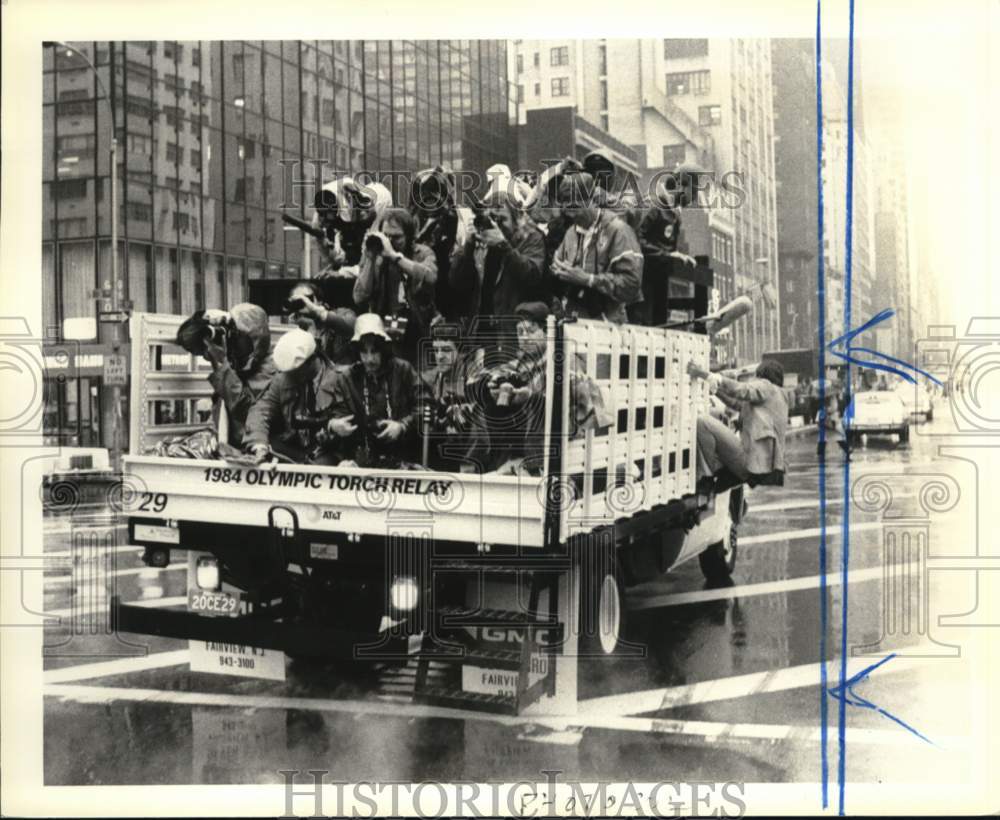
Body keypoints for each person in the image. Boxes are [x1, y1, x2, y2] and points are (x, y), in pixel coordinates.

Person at [468, 301, 612, 475]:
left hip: (563, 444)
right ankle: (483, 466)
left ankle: (530, 467)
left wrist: (533, 396)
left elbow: (598, 410)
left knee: (539, 404)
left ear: (546, 332)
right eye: (520, 332)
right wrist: (491, 386)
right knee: (485, 403)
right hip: (525, 444)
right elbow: (482, 378)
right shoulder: (520, 364)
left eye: (531, 331)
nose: (524, 337)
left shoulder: (564, 361)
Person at [449, 188, 548, 354]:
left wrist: (503, 245)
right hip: (480, 331)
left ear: (516, 220)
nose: (496, 226)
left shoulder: (531, 238)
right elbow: (456, 281)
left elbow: (532, 275)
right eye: (492, 219)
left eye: (502, 220)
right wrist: (468, 246)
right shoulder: (481, 238)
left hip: (512, 332)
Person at [324, 313, 427, 469]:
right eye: (364, 352)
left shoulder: (403, 370)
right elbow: (337, 415)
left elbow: (426, 405)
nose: (369, 359)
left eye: (375, 351)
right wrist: (335, 425)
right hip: (362, 459)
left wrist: (403, 426)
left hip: (403, 457)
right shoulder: (347, 378)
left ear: (383, 349)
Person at [176, 303, 277, 447]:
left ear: (254, 337)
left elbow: (250, 414)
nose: (232, 341)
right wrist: (204, 321)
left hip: (260, 450)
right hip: (233, 450)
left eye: (237, 336)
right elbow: (222, 414)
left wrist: (221, 365)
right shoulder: (236, 367)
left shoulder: (271, 367)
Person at [550, 172, 644, 324]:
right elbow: (557, 265)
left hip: (608, 325)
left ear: (593, 200)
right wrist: (559, 270)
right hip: (574, 322)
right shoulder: (571, 232)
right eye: (566, 210)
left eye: (575, 207)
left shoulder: (618, 231)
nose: (571, 215)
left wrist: (589, 280)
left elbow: (631, 284)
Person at [243, 328, 343, 465]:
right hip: (293, 449)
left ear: (313, 359)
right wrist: (258, 443)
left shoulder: (340, 380)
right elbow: (261, 410)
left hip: (327, 452)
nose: (292, 376)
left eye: (297, 371)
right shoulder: (283, 379)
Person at [353, 207, 438, 366]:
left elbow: (430, 277)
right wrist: (370, 258)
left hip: (418, 331)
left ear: (409, 236)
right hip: (385, 331)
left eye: (396, 237)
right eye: (386, 236)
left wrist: (394, 256)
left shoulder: (422, 253)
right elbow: (359, 296)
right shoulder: (375, 255)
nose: (390, 241)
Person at [687, 358, 789, 488]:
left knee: (702, 422)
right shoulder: (777, 397)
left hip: (750, 461)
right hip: (761, 468)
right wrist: (716, 391)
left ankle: (707, 475)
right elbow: (738, 404)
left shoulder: (767, 386)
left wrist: (707, 375)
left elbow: (741, 389)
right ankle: (720, 474)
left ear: (762, 375)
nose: (754, 380)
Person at [420, 320, 480, 472]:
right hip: (440, 450)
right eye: (436, 350)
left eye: (446, 350)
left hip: (469, 454)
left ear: (461, 352)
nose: (439, 356)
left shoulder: (473, 375)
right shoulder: (431, 379)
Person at [311, 178, 393, 273]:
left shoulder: (374, 205)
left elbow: (371, 258)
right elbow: (326, 249)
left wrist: (348, 272)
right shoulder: (322, 215)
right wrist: (333, 262)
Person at [283, 279, 357, 366]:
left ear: (319, 301)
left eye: (307, 299)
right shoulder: (297, 326)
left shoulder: (341, 314)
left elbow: (353, 328)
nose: (304, 305)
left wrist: (318, 313)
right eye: (297, 302)